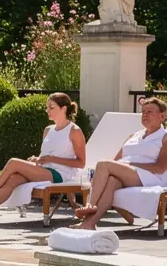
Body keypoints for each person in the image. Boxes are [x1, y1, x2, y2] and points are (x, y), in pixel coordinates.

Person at [0, 94, 86, 220]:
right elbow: (45, 156)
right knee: (13, 179)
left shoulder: (74, 131)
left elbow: (81, 163)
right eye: (47, 107)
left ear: (63, 109)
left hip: (60, 174)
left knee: (13, 162)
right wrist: (37, 159)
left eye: (51, 107)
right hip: (44, 170)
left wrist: (51, 159)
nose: (47, 110)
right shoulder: (48, 130)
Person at [72, 96, 167, 230]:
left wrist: (131, 165)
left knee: (103, 164)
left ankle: (89, 205)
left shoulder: (164, 137)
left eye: (149, 112)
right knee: (111, 181)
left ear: (162, 116)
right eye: (143, 112)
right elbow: (116, 161)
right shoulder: (133, 136)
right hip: (130, 173)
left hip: (151, 176)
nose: (145, 115)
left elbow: (161, 168)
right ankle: (88, 224)